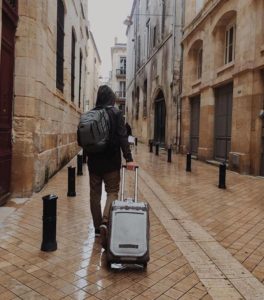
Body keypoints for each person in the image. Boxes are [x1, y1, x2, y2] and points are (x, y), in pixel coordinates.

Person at [87, 85, 137, 248]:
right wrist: (129, 159)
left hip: (94, 162)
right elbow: (123, 137)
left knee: (95, 194)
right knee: (112, 191)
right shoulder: (116, 113)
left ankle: (96, 227)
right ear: (111, 98)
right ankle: (106, 222)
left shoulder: (91, 114)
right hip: (111, 162)